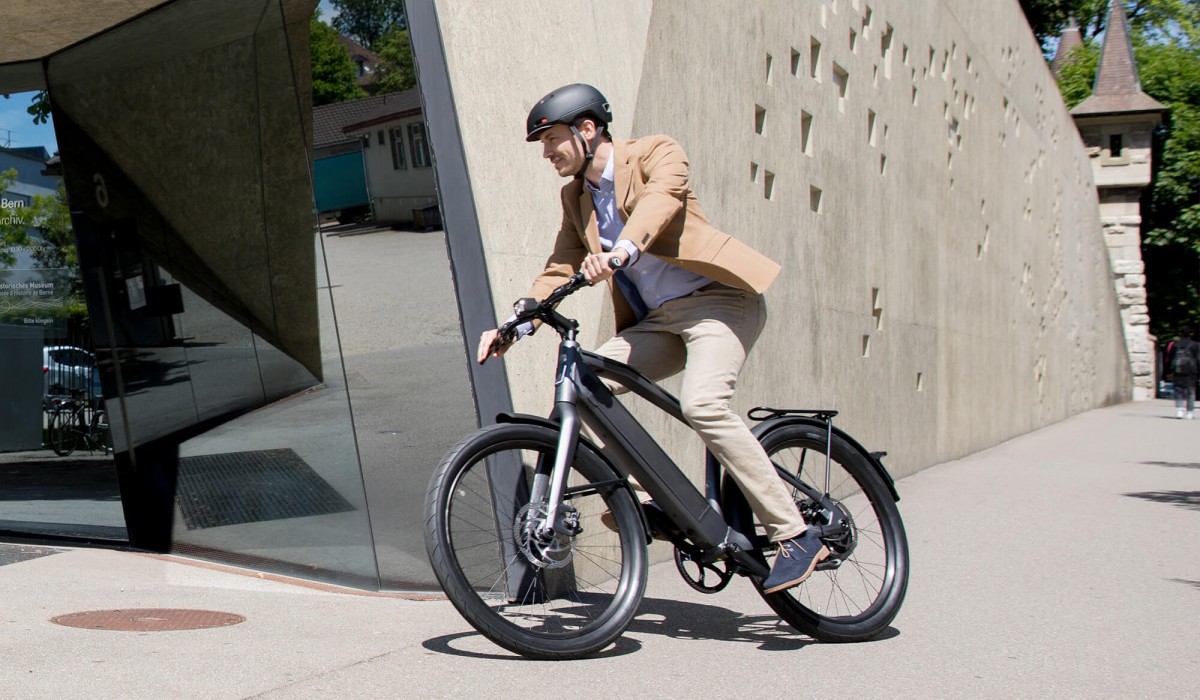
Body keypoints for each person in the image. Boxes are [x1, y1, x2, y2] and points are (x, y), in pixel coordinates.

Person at [476, 83, 827, 593]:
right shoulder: (575, 198)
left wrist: (620, 252)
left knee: (703, 404)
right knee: (585, 379)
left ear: (588, 129)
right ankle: (653, 501)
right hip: (661, 321)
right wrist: (518, 323)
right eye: (543, 145)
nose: (547, 153)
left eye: (552, 140)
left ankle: (794, 533)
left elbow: (660, 203)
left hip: (719, 303)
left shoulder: (657, 153)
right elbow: (559, 266)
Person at [1165, 326, 1199, 419]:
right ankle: (1189, 412)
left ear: (1180, 334)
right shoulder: (1195, 345)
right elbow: (1198, 359)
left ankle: (1179, 410)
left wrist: (1168, 371)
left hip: (1178, 370)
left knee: (1178, 390)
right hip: (1191, 371)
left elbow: (1170, 359)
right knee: (1190, 392)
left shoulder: (1175, 345)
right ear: (1191, 334)